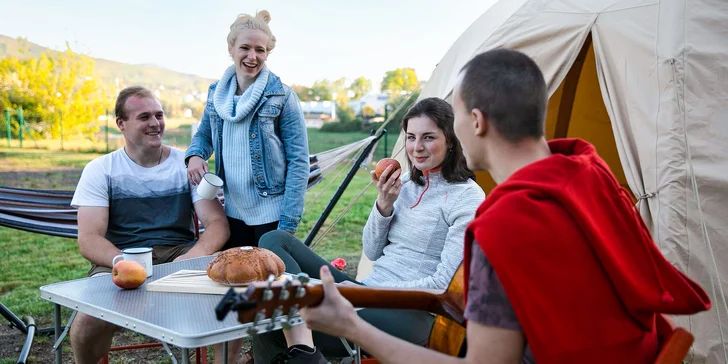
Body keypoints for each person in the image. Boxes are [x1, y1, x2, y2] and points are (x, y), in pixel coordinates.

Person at [297, 49, 711, 363]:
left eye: (454, 117)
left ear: (475, 123)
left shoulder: (503, 228)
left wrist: (351, 325)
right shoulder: (590, 174)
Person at [252, 97, 486, 363]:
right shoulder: (404, 182)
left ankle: (301, 328)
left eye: (428, 137)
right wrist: (384, 204)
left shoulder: (467, 197)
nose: (417, 148)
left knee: (271, 325)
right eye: (411, 137)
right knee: (274, 240)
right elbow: (372, 252)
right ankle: (302, 331)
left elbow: (442, 285)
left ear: (451, 140)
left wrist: (365, 295)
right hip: (367, 292)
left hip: (413, 313)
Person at [69, 86, 234, 364]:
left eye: (159, 115)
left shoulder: (186, 164)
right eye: (144, 117)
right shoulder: (101, 169)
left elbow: (217, 223)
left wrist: (186, 260)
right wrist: (124, 262)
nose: (155, 123)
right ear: (121, 124)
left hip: (177, 253)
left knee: (230, 296)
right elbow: (89, 238)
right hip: (120, 258)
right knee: (87, 321)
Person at [185, 10, 309, 249]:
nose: (252, 56)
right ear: (231, 49)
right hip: (232, 211)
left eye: (260, 50)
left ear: (267, 53)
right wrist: (195, 154)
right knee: (238, 279)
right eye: (245, 48)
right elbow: (204, 134)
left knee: (268, 283)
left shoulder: (282, 95)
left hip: (273, 215)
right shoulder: (216, 94)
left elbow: (299, 161)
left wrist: (289, 221)